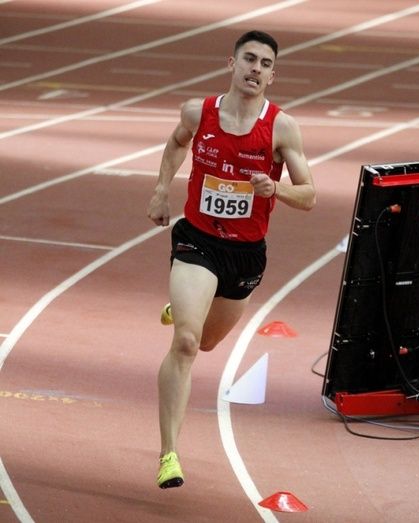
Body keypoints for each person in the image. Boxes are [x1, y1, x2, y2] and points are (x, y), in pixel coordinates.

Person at [147, 30, 316, 489]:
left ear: (272, 76)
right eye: (249, 59)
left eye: (265, 64)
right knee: (185, 343)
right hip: (198, 241)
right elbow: (177, 142)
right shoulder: (198, 112)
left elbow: (309, 195)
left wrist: (276, 188)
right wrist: (161, 190)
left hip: (245, 255)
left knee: (205, 342)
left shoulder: (281, 127)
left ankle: (185, 308)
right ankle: (169, 454)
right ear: (232, 64)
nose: (255, 69)